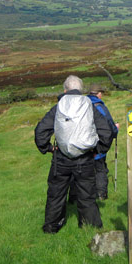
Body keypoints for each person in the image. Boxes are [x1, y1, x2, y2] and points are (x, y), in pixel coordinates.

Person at [34, 75, 113, 234]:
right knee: (87, 195)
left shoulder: (58, 107)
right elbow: (106, 132)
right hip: (84, 158)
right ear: (81, 90)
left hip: (61, 159)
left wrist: (48, 148)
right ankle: (89, 227)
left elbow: (41, 131)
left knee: (56, 194)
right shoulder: (88, 105)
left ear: (65, 90)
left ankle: (51, 227)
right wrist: (96, 150)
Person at [87, 84, 119, 200]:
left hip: (84, 143)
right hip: (98, 144)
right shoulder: (100, 107)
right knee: (100, 169)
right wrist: (116, 130)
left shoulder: (83, 104)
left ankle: (81, 195)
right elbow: (109, 124)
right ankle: (101, 194)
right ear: (99, 94)